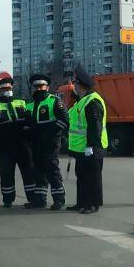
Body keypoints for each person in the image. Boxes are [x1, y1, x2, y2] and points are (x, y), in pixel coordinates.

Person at [0, 72, 37, 208]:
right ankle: (8, 199)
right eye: (4, 89)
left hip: (23, 144)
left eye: (9, 89)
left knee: (29, 172)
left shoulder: (22, 102)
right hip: (5, 146)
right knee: (6, 173)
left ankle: (32, 198)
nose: (7, 91)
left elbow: (30, 120)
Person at [67, 65, 107, 214]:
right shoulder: (82, 100)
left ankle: (92, 204)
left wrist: (91, 145)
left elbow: (94, 126)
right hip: (82, 148)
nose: (74, 87)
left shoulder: (92, 101)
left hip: (93, 147)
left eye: (75, 84)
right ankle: (81, 202)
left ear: (80, 84)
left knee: (93, 177)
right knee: (82, 176)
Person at [25, 73, 69, 210]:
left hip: (50, 143)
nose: (39, 89)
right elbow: (27, 125)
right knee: (38, 172)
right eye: (36, 86)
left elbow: (64, 121)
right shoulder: (29, 105)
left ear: (47, 87)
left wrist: (48, 133)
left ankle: (59, 200)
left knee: (52, 171)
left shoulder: (55, 101)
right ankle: (39, 200)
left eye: (41, 86)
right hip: (36, 144)